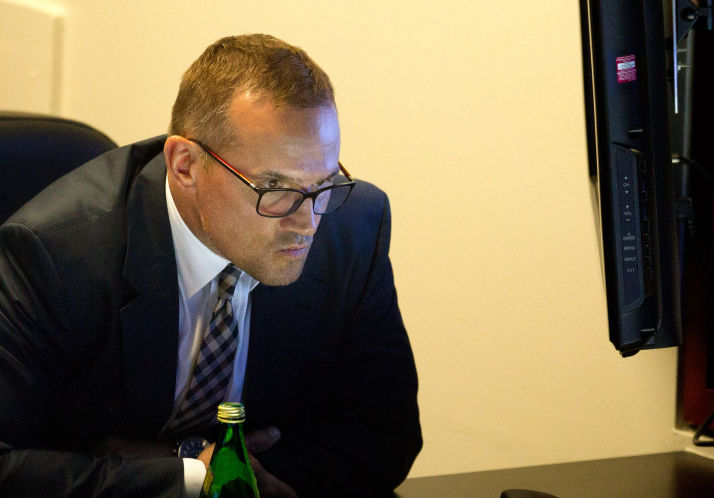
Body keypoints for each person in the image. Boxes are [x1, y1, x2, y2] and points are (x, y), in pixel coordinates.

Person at [0, 34, 421, 497]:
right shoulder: (54, 255)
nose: (308, 222)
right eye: (274, 186)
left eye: (324, 182)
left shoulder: (352, 225)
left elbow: (385, 436)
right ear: (185, 166)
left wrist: (238, 471)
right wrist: (192, 477)